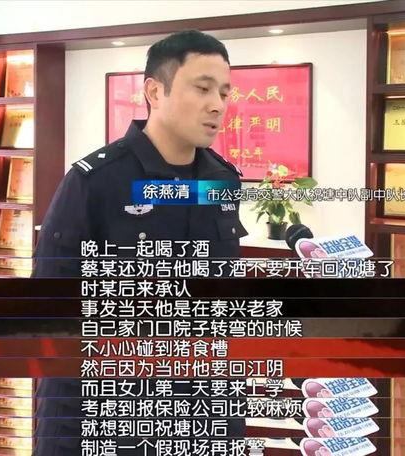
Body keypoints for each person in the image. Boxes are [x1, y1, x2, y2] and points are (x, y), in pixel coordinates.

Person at [33, 30, 247, 455]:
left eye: (224, 92)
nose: (218, 105)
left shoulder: (222, 180)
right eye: (202, 88)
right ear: (154, 91)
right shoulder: (96, 181)